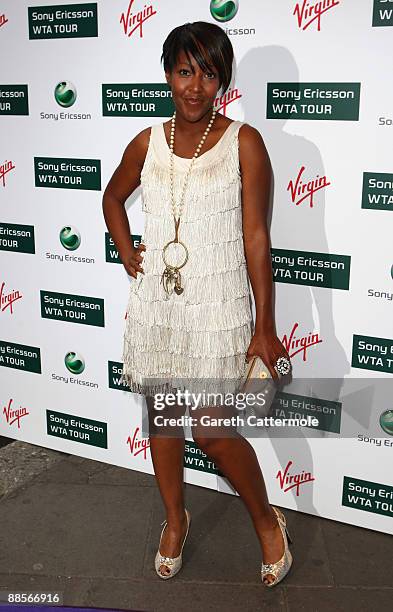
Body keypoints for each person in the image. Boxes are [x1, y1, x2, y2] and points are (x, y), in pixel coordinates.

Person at [102, 21, 293, 587]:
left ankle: (265, 519)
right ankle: (175, 519)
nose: (195, 85)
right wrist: (125, 248)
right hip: (161, 303)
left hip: (218, 306)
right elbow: (113, 196)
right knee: (163, 420)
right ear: (167, 74)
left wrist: (266, 325)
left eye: (208, 73)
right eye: (185, 71)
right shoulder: (147, 141)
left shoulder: (245, 142)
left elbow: (257, 235)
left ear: (222, 80)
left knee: (211, 429)